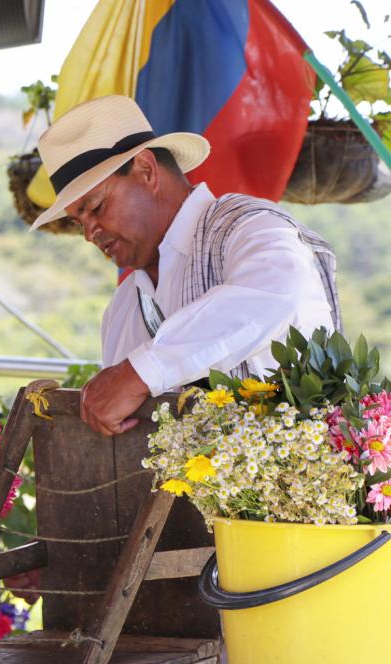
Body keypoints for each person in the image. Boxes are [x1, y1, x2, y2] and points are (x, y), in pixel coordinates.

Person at [31, 94, 340, 437]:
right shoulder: (122, 310)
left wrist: (139, 373)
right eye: (78, 222)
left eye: (97, 207)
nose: (89, 233)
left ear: (147, 170)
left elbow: (276, 292)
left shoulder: (249, 227)